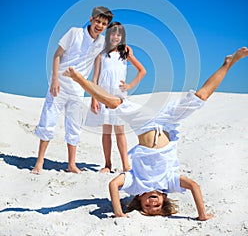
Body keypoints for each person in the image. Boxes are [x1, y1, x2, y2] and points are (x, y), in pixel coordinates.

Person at [63, 46, 248, 219]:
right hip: (168, 122)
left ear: (139, 200)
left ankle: (79, 79)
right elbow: (193, 186)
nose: (152, 204)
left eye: (147, 207)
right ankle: (228, 63)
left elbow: (113, 185)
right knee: (200, 97)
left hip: (142, 124)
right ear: (164, 201)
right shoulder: (169, 183)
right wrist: (202, 215)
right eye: (157, 207)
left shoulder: (135, 184)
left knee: (114, 104)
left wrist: (119, 213)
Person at [31, 6, 114, 174]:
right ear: (91, 19)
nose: (99, 25)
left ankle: (71, 164)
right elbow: (57, 55)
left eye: (104, 23)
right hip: (59, 85)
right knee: (48, 121)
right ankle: (39, 162)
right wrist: (54, 79)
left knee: (74, 126)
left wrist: (94, 95)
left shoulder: (101, 42)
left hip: (78, 89)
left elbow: (97, 69)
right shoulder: (74, 32)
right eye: (97, 21)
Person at [85, 22, 146, 173]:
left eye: (119, 35)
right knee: (106, 132)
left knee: (120, 131)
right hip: (103, 97)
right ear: (108, 35)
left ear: (122, 37)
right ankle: (107, 164)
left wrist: (130, 86)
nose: (115, 37)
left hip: (118, 98)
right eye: (113, 33)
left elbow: (142, 70)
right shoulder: (101, 54)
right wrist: (94, 98)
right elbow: (95, 79)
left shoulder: (125, 53)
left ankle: (126, 165)